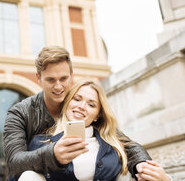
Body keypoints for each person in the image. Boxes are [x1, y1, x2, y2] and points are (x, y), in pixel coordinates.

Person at [3, 46, 152, 180]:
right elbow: (14, 163)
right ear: (38, 78)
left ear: (71, 75)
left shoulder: (76, 104)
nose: (58, 86)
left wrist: (143, 164)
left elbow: (123, 142)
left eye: (63, 78)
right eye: (51, 80)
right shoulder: (20, 113)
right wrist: (53, 155)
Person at [24, 77, 171, 181]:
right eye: (77, 99)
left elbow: (133, 149)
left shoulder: (111, 142)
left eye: (91, 104)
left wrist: (164, 179)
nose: (82, 106)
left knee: (132, 174)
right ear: (67, 102)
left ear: (97, 116)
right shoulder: (41, 141)